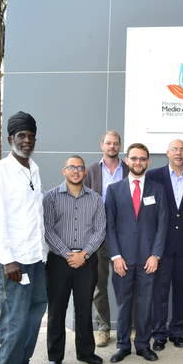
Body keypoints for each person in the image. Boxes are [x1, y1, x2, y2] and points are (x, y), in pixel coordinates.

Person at [0, 111, 52, 364]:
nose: (27, 141)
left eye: (30, 136)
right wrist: (7, 258)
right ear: (10, 138)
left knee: (34, 314)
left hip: (37, 258)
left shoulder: (33, 169)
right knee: (14, 320)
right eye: (21, 136)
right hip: (14, 261)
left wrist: (43, 253)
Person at [105, 143, 168, 363]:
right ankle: (123, 345)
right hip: (122, 260)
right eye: (134, 158)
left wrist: (156, 255)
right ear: (127, 160)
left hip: (148, 260)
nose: (138, 162)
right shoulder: (114, 190)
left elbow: (163, 225)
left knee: (145, 304)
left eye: (142, 159)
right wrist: (115, 256)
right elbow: (109, 227)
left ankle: (143, 344)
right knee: (123, 305)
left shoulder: (157, 189)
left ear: (148, 162)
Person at [43, 156, 106, 364]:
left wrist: (85, 254)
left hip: (87, 261)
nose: (76, 171)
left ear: (85, 172)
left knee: (83, 307)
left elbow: (100, 230)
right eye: (72, 167)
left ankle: (86, 352)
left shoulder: (96, 199)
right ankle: (55, 358)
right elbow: (48, 229)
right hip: (59, 262)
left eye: (80, 168)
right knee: (57, 310)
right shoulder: (50, 198)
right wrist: (67, 254)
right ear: (64, 171)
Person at [147, 139, 183, 351]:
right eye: (174, 149)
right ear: (167, 153)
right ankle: (159, 333)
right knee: (159, 293)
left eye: (182, 150)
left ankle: (177, 332)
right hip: (161, 246)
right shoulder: (153, 177)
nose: (178, 153)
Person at [83, 130, 129, 347]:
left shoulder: (129, 170)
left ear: (120, 146)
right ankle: (102, 327)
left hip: (124, 235)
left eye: (115, 143)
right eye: (108, 143)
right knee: (99, 284)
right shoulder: (91, 171)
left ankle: (127, 326)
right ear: (101, 145)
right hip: (98, 235)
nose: (112, 146)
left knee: (126, 282)